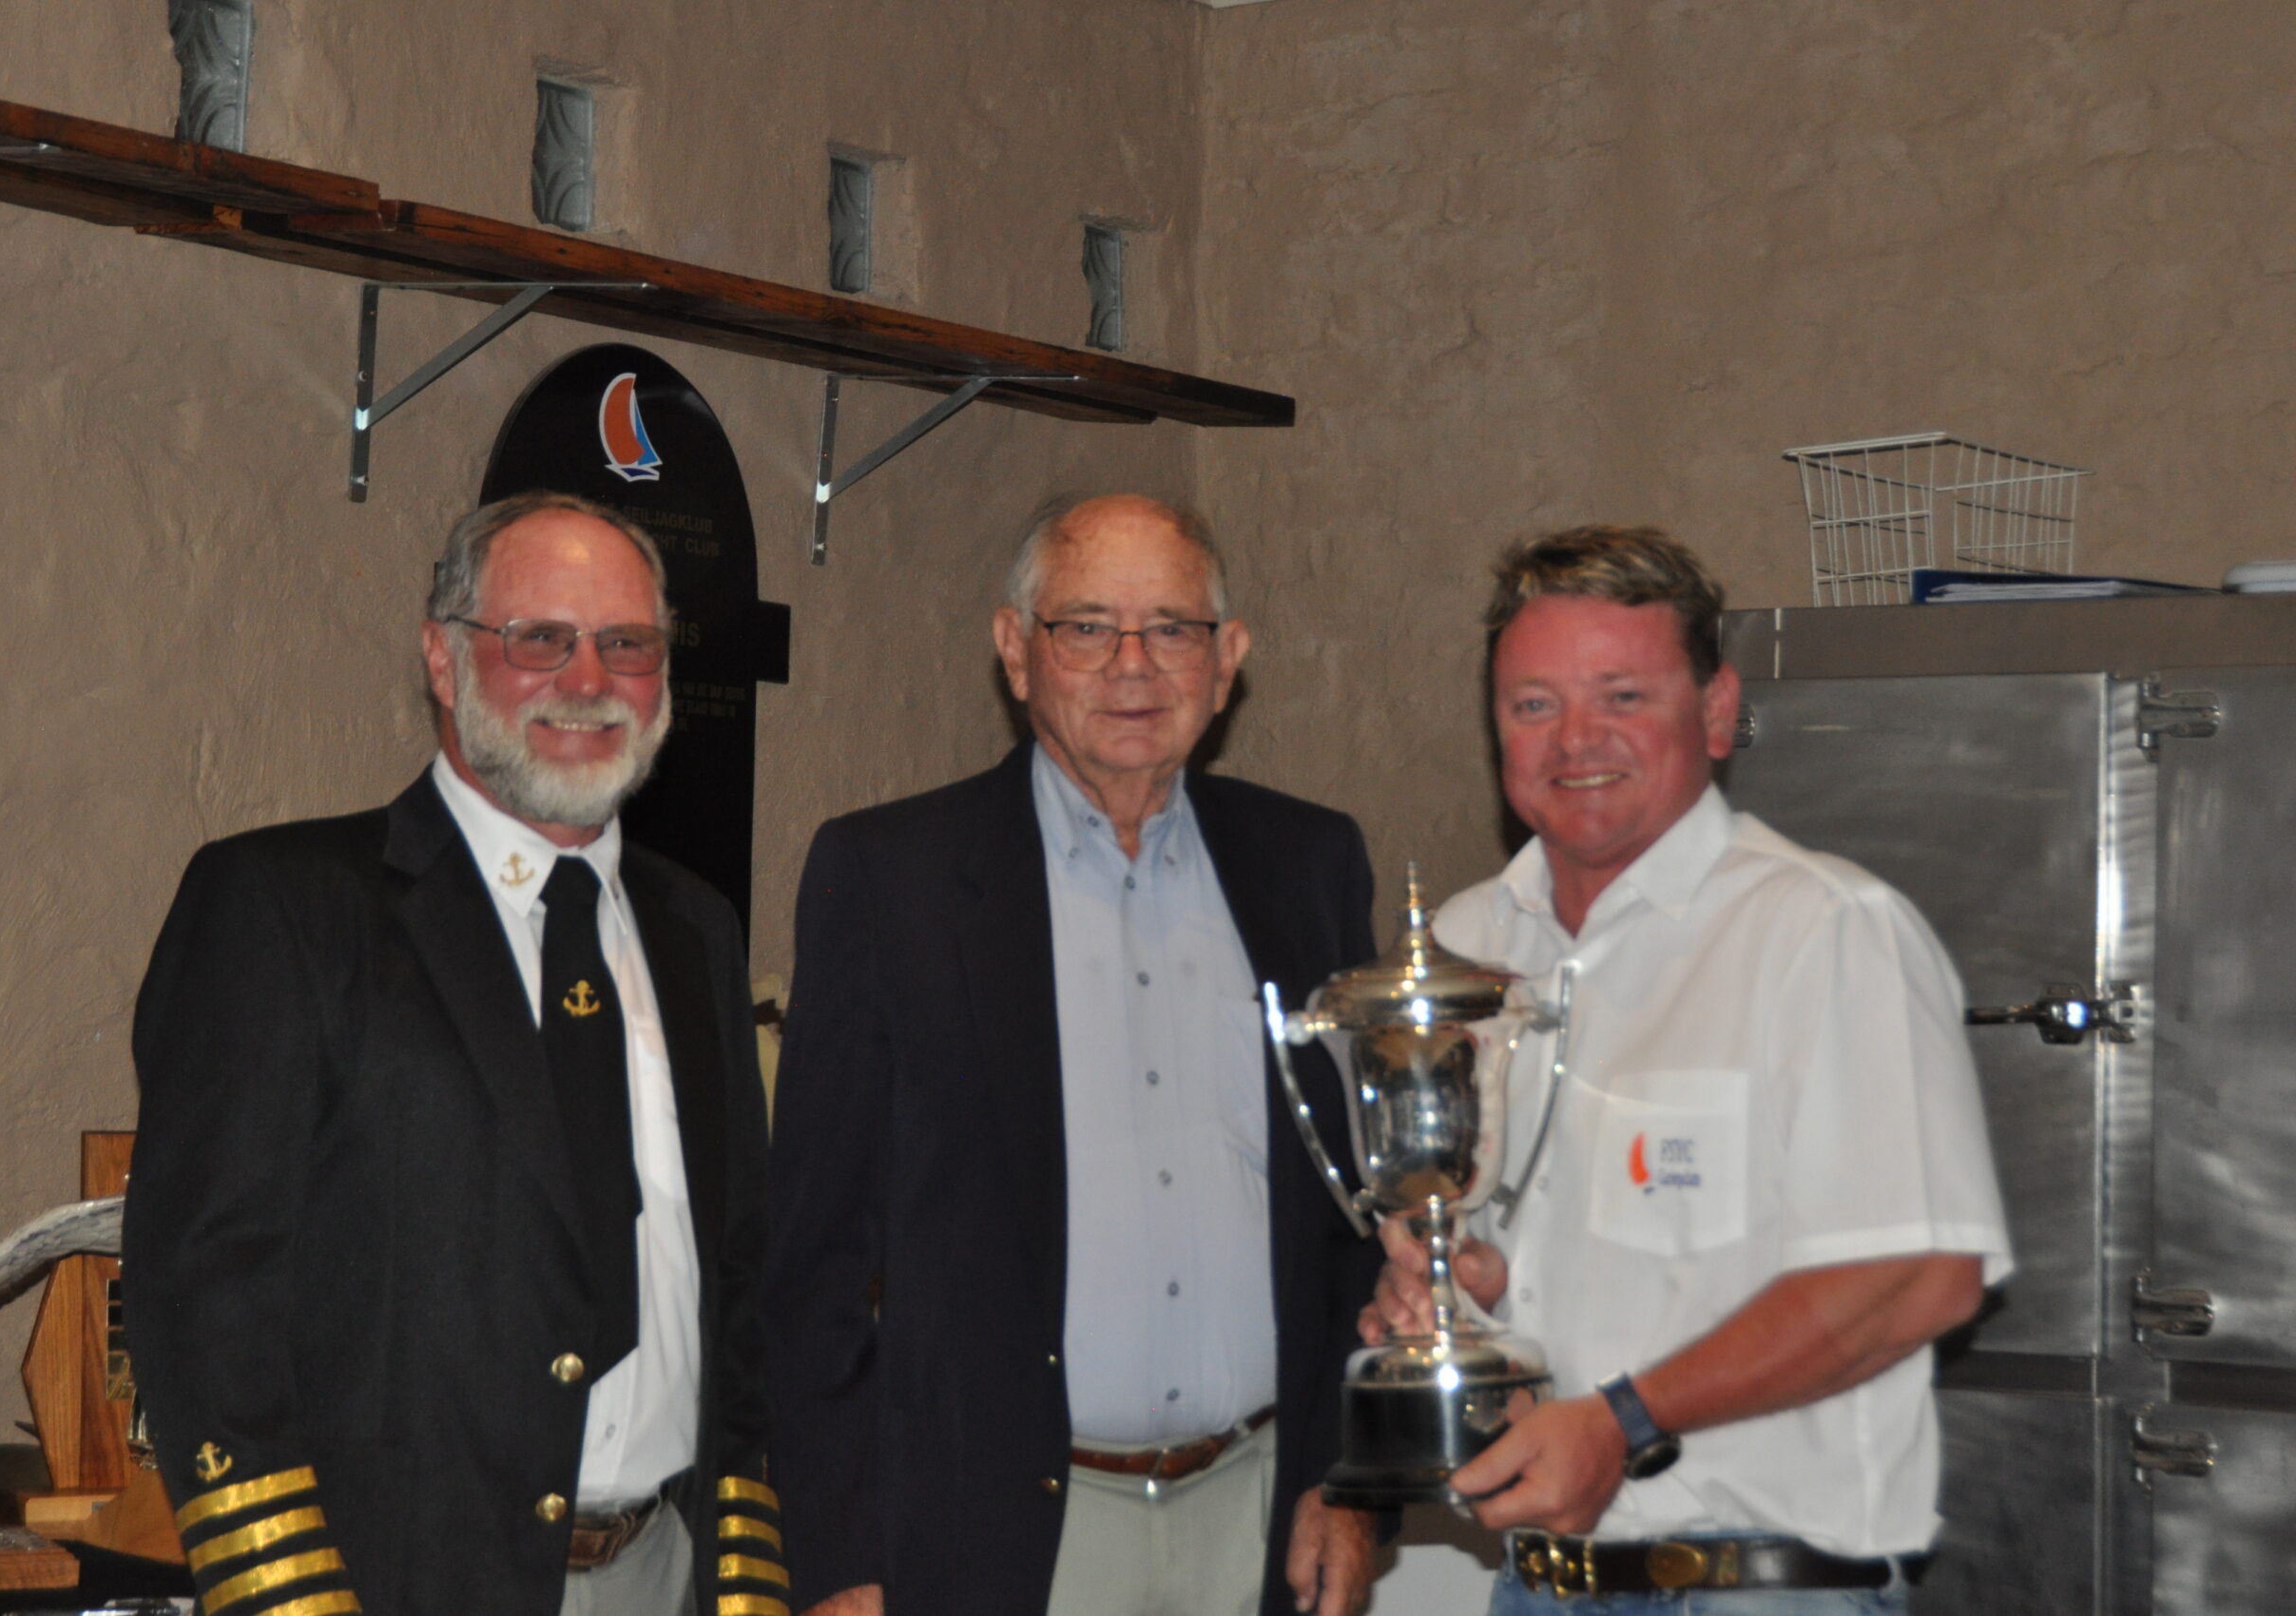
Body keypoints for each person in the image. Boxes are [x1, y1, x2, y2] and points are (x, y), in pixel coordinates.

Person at [122, 491, 782, 1616]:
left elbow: (740, 1276)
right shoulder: (287, 910)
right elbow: (205, 1290)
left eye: (627, 643)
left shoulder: (694, 928)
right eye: (540, 638)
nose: (589, 679)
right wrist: (287, 1594)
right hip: (391, 1583)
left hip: (668, 1572)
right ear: (442, 656)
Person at [1364, 526, 2011, 1612]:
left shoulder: (1824, 928)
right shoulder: (1468, 945)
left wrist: (1622, 1418)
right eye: (1534, 703)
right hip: (1538, 1583)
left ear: (1715, 711)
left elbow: (1920, 1273)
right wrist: (1452, 1293)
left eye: (1621, 696)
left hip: (1762, 1586)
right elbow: (1521, 1264)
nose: (1575, 739)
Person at [765, 494, 1383, 1616]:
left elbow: (1355, 1224)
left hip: (1261, 1513)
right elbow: (813, 1257)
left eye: (1173, 628)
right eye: (1086, 626)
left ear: (1227, 658)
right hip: (1002, 1535)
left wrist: (1349, 1479)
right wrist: (839, 1556)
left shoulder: (1310, 865)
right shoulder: (891, 880)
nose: (1132, 665)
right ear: (1015, 649)